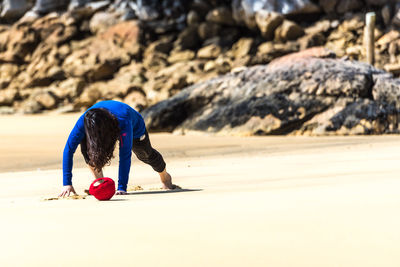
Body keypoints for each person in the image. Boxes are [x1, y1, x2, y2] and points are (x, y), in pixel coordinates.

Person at [59, 100, 175, 197]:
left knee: (145, 154)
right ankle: (101, 183)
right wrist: (67, 183)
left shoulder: (123, 120)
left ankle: (164, 176)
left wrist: (122, 187)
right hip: (100, 126)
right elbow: (68, 150)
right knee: (91, 151)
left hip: (134, 127)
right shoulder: (84, 122)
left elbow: (125, 155)